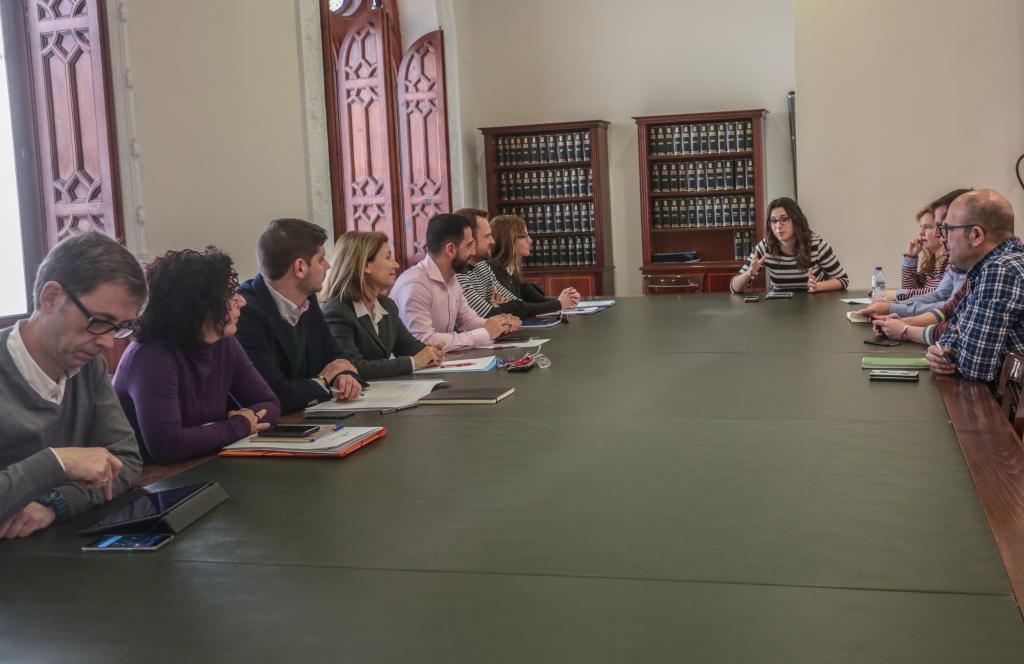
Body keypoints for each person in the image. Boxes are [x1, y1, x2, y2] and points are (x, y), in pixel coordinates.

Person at [0, 232, 145, 538]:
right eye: (99, 321)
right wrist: (58, 463)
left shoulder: (89, 367)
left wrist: (56, 503)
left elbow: (127, 462)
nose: (108, 342)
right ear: (51, 298)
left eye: (119, 328)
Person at [113, 248, 281, 464]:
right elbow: (168, 446)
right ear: (198, 306)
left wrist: (212, 432)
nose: (242, 302)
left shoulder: (223, 342)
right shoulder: (150, 357)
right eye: (230, 295)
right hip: (152, 478)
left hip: (202, 463)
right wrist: (240, 425)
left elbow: (270, 403)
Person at [235, 218, 363, 414]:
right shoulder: (246, 312)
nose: (328, 266)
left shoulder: (307, 299)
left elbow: (336, 358)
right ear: (300, 267)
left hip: (311, 417)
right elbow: (276, 395)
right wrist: (324, 380)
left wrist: (343, 377)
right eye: (321, 259)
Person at [925, 190, 1023, 383]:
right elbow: (949, 335)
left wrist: (949, 353)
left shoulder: (1000, 270)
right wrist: (945, 351)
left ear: (976, 235)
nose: (942, 238)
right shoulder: (988, 267)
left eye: (948, 229)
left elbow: (975, 368)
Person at [321, 231, 444, 379]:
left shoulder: (387, 305)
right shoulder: (337, 312)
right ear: (366, 265)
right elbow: (353, 368)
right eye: (388, 257)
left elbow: (408, 346)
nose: (396, 265)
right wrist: (413, 362)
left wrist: (431, 352)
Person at [391, 213, 521, 351]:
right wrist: (485, 334)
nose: (473, 251)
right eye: (469, 245)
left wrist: (501, 324)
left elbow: (468, 321)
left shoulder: (451, 278)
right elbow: (423, 341)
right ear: (451, 249)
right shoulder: (415, 284)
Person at [856, 188, 972, 318]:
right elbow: (934, 294)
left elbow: (942, 300)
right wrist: (911, 258)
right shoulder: (936, 261)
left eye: (928, 227)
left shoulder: (956, 261)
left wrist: (895, 299)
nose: (921, 233)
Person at [730, 197, 848, 293]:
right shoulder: (765, 247)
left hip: (815, 305)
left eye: (784, 219)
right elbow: (734, 287)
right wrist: (749, 273)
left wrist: (818, 286)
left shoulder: (816, 245)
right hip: (780, 306)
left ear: (796, 220)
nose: (778, 226)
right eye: (773, 221)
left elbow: (843, 280)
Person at [485, 215, 581, 314]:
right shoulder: (493, 270)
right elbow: (520, 309)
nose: (530, 241)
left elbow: (537, 299)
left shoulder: (511, 270)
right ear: (508, 240)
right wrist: (559, 303)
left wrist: (567, 298)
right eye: (524, 236)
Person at [897, 205, 948, 299]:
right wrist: (911, 256)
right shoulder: (932, 263)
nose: (921, 233)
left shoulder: (951, 262)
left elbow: (940, 293)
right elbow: (910, 294)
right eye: (921, 227)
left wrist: (897, 293)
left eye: (927, 227)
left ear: (942, 230)